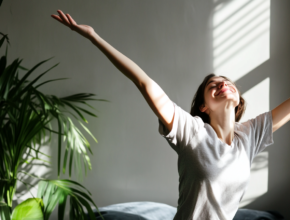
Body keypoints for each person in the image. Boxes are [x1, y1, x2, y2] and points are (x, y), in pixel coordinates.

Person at [51, 10, 290, 220]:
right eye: (212, 86)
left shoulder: (249, 135)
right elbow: (143, 83)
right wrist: (94, 37)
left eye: (226, 82)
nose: (222, 84)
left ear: (238, 99)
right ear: (203, 107)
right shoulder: (193, 130)